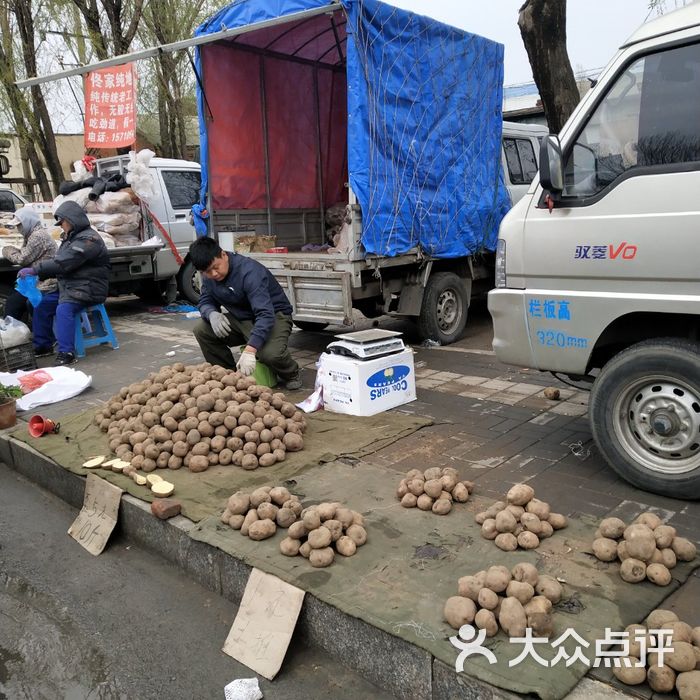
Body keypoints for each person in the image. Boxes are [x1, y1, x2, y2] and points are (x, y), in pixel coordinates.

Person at [190, 237, 301, 390]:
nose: (214, 274)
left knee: (269, 354)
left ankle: (291, 372)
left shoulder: (249, 272)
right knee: (202, 330)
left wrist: (250, 349)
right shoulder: (208, 277)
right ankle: (226, 374)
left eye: (216, 267)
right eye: (207, 272)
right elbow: (205, 300)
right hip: (242, 318)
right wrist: (211, 313)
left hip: (274, 315)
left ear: (223, 255)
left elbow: (265, 314)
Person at [18, 200, 111, 366]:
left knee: (64, 309)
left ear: (72, 219)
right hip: (71, 287)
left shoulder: (89, 240)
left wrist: (36, 270)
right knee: (41, 303)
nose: (61, 226)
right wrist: (41, 276)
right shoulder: (71, 239)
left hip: (89, 287)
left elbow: (64, 263)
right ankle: (43, 346)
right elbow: (60, 262)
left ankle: (66, 352)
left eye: (62, 222)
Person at [2, 206, 59, 357]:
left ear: (28, 221)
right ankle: (14, 339)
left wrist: (7, 250)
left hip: (45, 281)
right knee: (14, 303)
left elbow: (22, 258)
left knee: (22, 303)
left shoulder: (38, 236)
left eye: (20, 225)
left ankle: (36, 341)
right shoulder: (31, 234)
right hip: (34, 281)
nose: (19, 228)